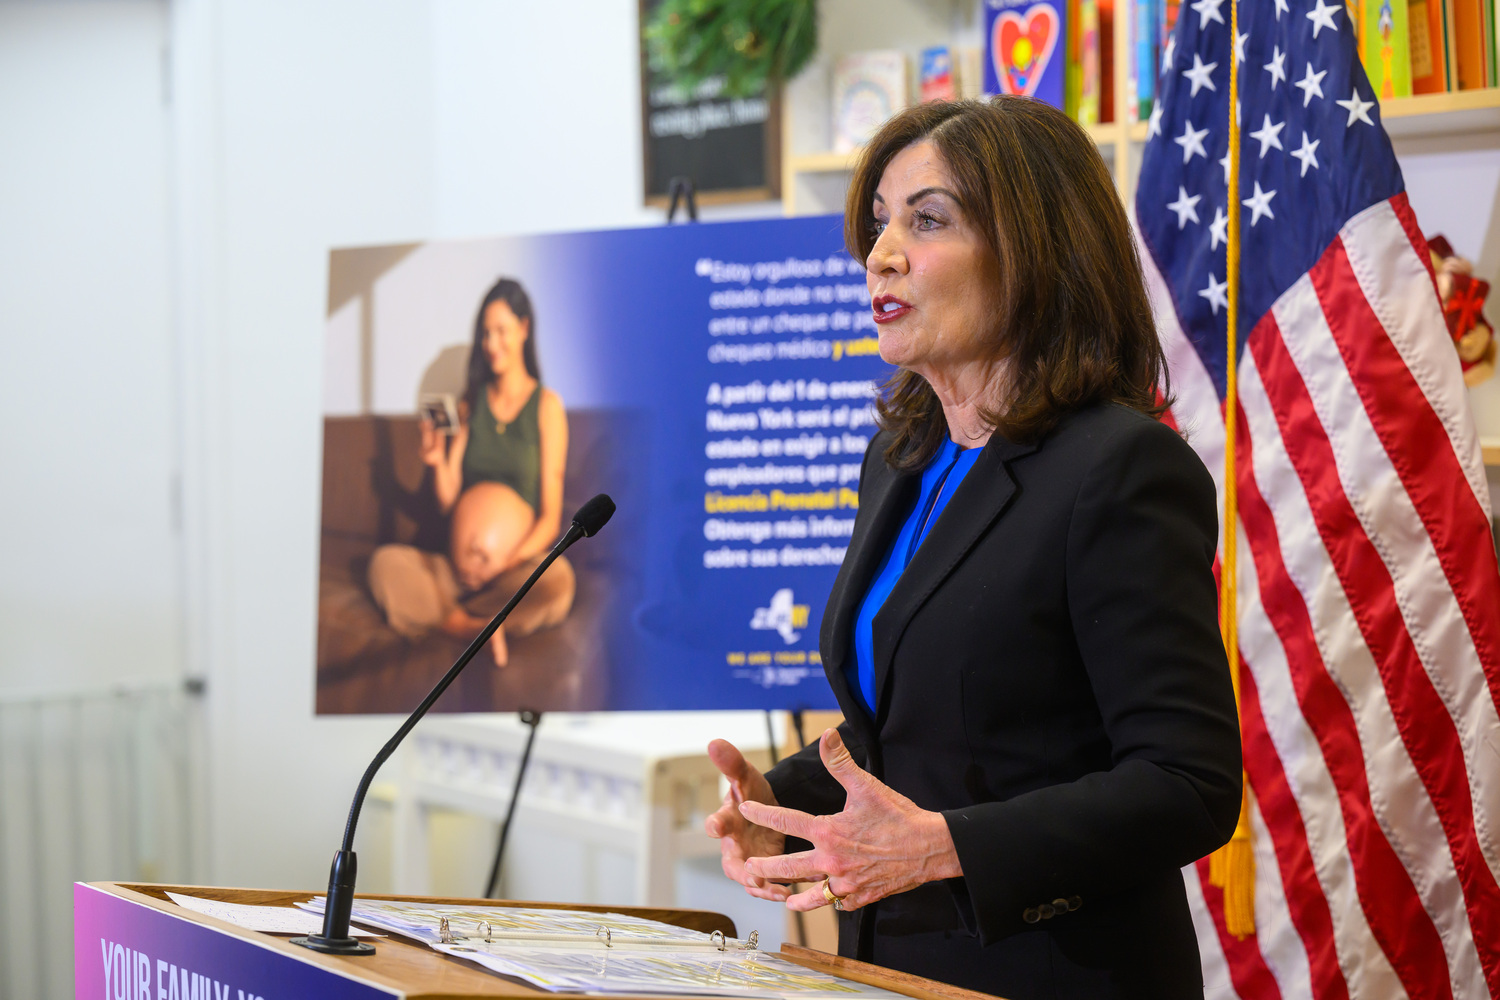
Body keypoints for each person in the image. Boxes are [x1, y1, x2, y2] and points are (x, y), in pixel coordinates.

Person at [705, 98, 1242, 999]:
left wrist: (944, 848)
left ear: (1033, 249)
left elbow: (1188, 784)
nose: (880, 253)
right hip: (889, 966)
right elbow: (919, 724)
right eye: (879, 223)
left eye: (926, 219)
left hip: (1056, 974)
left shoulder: (1119, 467)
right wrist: (785, 806)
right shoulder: (903, 457)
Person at [368, 278, 573, 666]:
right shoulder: (469, 405)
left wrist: (503, 563)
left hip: (509, 576)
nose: (492, 344)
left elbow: (550, 519)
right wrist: (436, 461)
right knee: (385, 564)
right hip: (453, 573)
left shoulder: (547, 407)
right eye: (485, 334)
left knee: (559, 582)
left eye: (502, 331)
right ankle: (464, 626)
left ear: (524, 329)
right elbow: (449, 501)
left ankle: (453, 617)